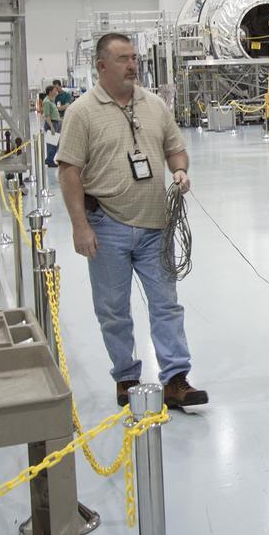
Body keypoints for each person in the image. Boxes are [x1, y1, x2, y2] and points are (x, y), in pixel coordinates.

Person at [56, 32, 208, 410]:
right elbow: (69, 171)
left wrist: (180, 171)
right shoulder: (82, 112)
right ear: (102, 66)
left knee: (166, 304)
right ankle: (126, 376)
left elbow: (176, 148)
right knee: (113, 309)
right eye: (123, 59)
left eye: (134, 58)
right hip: (106, 225)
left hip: (156, 223)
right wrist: (80, 226)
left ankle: (175, 379)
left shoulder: (154, 105)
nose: (133, 65)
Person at [42, 85, 62, 167]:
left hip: (55, 123)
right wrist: (52, 127)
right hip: (51, 123)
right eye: (54, 90)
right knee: (52, 144)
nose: (56, 91)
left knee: (55, 143)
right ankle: (50, 161)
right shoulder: (46, 102)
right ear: (50, 92)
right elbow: (47, 116)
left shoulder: (51, 100)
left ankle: (49, 159)